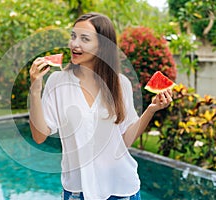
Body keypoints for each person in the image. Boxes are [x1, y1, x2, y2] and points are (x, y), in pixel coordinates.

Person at [29, 12, 172, 200]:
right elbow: (39, 136)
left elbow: (124, 142)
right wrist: (35, 88)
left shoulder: (121, 84)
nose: (75, 44)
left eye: (84, 39)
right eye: (73, 36)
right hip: (76, 191)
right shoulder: (58, 81)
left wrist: (151, 109)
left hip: (120, 189)